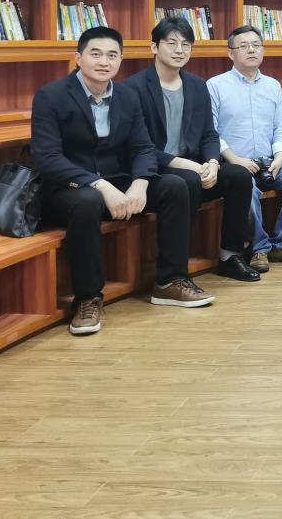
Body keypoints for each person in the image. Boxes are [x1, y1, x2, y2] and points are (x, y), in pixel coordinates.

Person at [31, 26, 214, 336]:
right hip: (70, 188)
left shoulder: (127, 96)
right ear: (78, 57)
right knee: (88, 201)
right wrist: (99, 185)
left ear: (120, 60)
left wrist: (141, 182)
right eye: (96, 54)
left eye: (112, 55)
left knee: (174, 186)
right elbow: (47, 158)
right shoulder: (51, 96)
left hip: (119, 181)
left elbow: (142, 148)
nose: (104, 62)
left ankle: (170, 280)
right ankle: (88, 299)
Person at [126, 17, 259, 283]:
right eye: (171, 43)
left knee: (239, 176)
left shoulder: (197, 85)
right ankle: (175, 271)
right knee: (186, 181)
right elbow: (139, 147)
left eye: (186, 44)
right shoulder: (133, 88)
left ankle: (230, 255)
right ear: (154, 47)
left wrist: (212, 162)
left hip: (196, 166)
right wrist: (193, 167)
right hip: (157, 169)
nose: (179, 50)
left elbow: (209, 133)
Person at [209, 25, 282, 268]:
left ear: (263, 50)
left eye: (256, 45)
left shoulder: (272, 86)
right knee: (246, 187)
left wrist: (280, 157)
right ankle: (259, 249)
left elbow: (280, 128)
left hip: (269, 161)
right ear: (230, 53)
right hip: (234, 164)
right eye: (244, 46)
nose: (251, 50)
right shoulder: (215, 85)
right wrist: (235, 160)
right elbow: (211, 133)